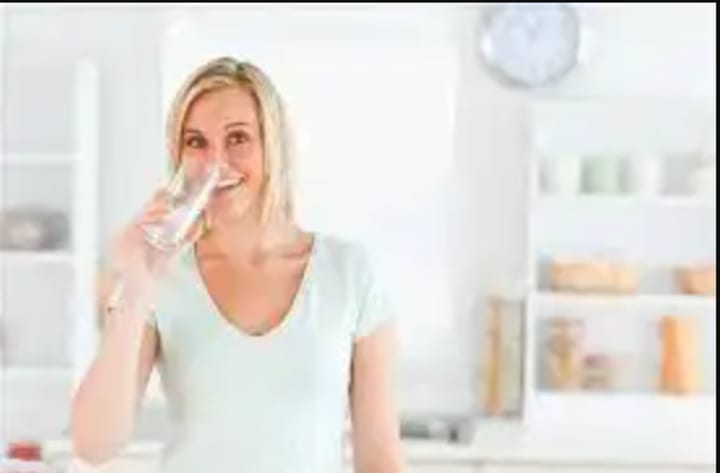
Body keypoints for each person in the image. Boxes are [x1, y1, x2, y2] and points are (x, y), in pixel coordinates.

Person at [70, 56, 404, 473]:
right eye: (196, 142)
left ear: (271, 147)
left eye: (238, 138)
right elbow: (94, 444)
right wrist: (137, 283)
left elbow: (380, 454)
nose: (216, 163)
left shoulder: (350, 273)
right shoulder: (162, 276)